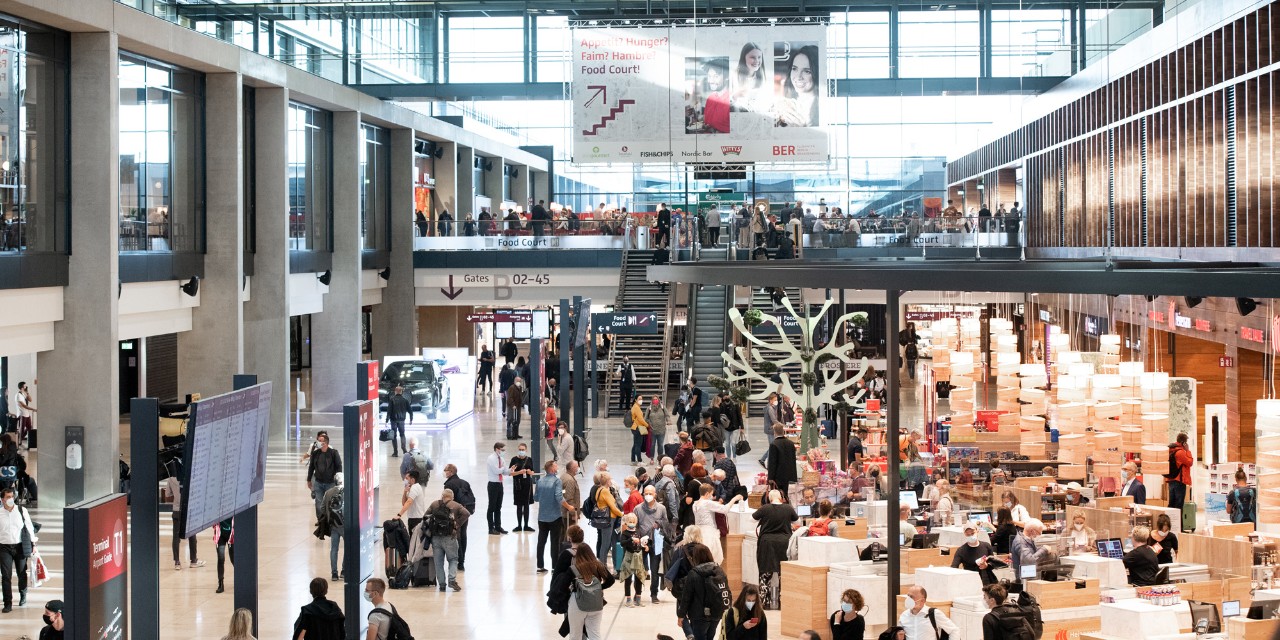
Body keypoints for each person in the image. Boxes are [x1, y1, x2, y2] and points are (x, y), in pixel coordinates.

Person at [752, 489, 797, 610]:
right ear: (781, 498)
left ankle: (765, 603)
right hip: (784, 542)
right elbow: (795, 519)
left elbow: (753, 517)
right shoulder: (788, 508)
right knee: (784, 573)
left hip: (767, 543)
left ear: (770, 499)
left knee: (765, 573)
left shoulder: (765, 508)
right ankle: (783, 602)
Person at [678, 542, 730, 640]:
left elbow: (686, 597)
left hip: (699, 615)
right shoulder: (719, 571)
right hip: (716, 613)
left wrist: (681, 615)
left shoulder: (693, 573)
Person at [567, 544, 615, 640]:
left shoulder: (574, 568)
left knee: (575, 635)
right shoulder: (598, 565)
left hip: (577, 603)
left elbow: (563, 584)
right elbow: (611, 580)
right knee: (594, 633)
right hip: (596, 603)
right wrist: (599, 588)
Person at [634, 484, 671, 604]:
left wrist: (659, 524)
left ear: (655, 494)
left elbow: (666, 524)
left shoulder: (661, 508)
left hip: (656, 542)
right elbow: (634, 525)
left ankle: (654, 594)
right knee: (640, 569)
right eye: (646, 493)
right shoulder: (638, 508)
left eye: (651, 493)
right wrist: (638, 538)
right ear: (643, 494)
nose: (648, 495)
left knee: (655, 570)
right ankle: (638, 593)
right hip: (642, 543)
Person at [426, 488, 469, 591]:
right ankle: (451, 580)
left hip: (436, 537)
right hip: (450, 536)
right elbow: (467, 513)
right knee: (453, 559)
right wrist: (457, 524)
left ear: (442, 495)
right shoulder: (456, 505)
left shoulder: (434, 504)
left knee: (438, 562)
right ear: (452, 497)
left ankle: (441, 584)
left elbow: (426, 516)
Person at [0, 486, 33, 612]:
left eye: (12, 496)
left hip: (19, 546)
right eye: (7, 497)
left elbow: (29, 527)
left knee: (21, 573)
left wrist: (33, 545)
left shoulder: (21, 510)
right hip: (4, 547)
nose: (10, 499)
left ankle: (23, 594)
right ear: (2, 499)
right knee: (6, 576)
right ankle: (7, 602)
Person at [694, 483, 743, 563]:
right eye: (711, 494)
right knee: (712, 557)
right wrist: (734, 499)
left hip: (699, 532)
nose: (712, 497)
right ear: (707, 493)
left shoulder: (695, 504)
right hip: (709, 533)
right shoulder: (707, 503)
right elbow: (725, 509)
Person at [166, 474, 204, 572]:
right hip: (188, 510)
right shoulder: (190, 476)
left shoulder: (170, 478)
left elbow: (167, 494)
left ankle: (177, 562)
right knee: (192, 535)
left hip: (176, 511)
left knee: (176, 537)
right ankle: (193, 560)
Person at [536, 460, 569, 573]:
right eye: (556, 466)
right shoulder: (556, 481)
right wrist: (568, 507)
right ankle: (554, 566)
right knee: (555, 542)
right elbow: (559, 497)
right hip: (555, 516)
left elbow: (536, 497)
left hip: (542, 516)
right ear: (552, 469)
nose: (557, 467)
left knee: (541, 541)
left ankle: (540, 566)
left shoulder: (540, 481)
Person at [441, 464, 476, 571]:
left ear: (451, 472)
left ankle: (459, 562)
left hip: (455, 513)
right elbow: (472, 497)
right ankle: (462, 561)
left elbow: (448, 501)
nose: (444, 472)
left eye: (445, 470)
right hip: (465, 512)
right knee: (463, 535)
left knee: (457, 536)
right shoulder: (465, 482)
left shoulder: (449, 484)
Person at [774, 45, 819, 127]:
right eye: (794, 69)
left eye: (807, 71)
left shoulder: (823, 108)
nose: (798, 77)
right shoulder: (784, 104)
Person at [306, 432, 342, 524]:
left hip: (330, 482)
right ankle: (321, 521)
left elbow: (339, 466)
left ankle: (331, 520)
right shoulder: (315, 453)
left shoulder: (333, 453)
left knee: (330, 502)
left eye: (320, 441)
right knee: (318, 503)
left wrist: (338, 478)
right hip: (318, 482)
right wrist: (309, 479)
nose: (318, 442)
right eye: (318, 440)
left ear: (325, 443)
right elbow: (311, 467)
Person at [590, 471, 623, 567]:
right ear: (607, 481)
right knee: (606, 544)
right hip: (608, 519)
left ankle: (602, 564)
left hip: (605, 519)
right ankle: (602, 565)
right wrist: (621, 514)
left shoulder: (599, 489)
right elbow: (613, 507)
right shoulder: (605, 491)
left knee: (606, 542)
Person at [617, 512, 650, 607]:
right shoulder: (625, 533)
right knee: (628, 579)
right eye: (630, 521)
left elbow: (641, 542)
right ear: (626, 522)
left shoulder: (638, 531)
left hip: (638, 557)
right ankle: (628, 599)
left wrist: (645, 547)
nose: (631, 523)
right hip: (628, 557)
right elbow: (622, 543)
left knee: (639, 577)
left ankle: (638, 598)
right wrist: (630, 540)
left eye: (633, 521)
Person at [319, 473, 344, 581]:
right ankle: (344, 571)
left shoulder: (328, 493)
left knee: (334, 549)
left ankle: (334, 573)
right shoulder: (347, 492)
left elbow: (322, 508)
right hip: (345, 525)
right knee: (348, 548)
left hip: (333, 525)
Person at [766, 423, 798, 496]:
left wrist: (770, 477)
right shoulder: (790, 443)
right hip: (791, 476)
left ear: (775, 432)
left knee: (779, 496)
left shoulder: (774, 444)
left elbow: (772, 462)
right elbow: (793, 459)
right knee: (788, 496)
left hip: (779, 477)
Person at [509, 444, 536, 532]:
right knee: (519, 505)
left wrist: (529, 471)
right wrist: (520, 472)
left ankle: (526, 525)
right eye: (520, 449)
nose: (521, 451)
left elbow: (532, 472)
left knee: (526, 505)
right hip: (518, 485)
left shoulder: (529, 459)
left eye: (523, 449)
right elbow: (511, 473)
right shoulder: (514, 460)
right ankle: (519, 525)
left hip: (527, 485)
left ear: (526, 450)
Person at [1165, 432, 1194, 511]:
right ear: (1183, 442)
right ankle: (1178, 523)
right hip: (1179, 480)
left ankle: (1170, 522)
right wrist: (1188, 451)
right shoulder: (1180, 452)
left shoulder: (1170, 449)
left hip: (1171, 479)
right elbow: (1190, 462)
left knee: (1172, 503)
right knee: (1179, 505)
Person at [395, 469, 429, 536]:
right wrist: (405, 492)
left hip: (416, 519)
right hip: (412, 518)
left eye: (407, 478)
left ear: (412, 480)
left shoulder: (415, 488)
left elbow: (409, 502)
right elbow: (404, 503)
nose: (405, 480)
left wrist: (399, 515)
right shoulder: (412, 488)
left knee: (414, 540)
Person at [485, 442, 509, 535]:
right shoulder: (491, 458)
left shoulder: (501, 458)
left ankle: (498, 526)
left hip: (499, 484)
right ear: (497, 449)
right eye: (502, 450)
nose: (503, 452)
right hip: (493, 484)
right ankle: (491, 528)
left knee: (498, 507)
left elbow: (504, 471)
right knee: (492, 507)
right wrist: (503, 468)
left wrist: (510, 470)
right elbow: (496, 471)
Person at [386, 385, 410, 457]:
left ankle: (395, 452)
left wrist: (387, 420)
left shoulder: (392, 400)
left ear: (395, 392)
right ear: (402, 392)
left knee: (394, 436)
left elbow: (389, 411)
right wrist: (411, 418)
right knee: (402, 434)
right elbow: (410, 410)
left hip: (393, 420)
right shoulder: (405, 400)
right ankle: (404, 449)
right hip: (402, 420)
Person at [646, 397, 669, 462]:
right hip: (652, 430)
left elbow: (667, 415)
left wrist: (668, 421)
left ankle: (660, 458)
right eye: (654, 399)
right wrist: (649, 423)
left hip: (661, 430)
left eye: (656, 399)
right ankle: (652, 458)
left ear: (659, 400)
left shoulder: (662, 407)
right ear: (652, 400)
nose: (655, 401)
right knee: (652, 445)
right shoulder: (649, 408)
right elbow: (646, 418)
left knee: (660, 445)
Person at [214, 518, 234, 593]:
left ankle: (241, 578)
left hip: (232, 534)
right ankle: (220, 583)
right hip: (220, 534)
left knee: (233, 558)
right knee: (220, 558)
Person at [560, 459, 581, 528]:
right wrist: (574, 513)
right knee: (569, 535)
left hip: (564, 512)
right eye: (577, 466)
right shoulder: (570, 480)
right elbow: (569, 498)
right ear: (572, 469)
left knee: (563, 535)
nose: (578, 468)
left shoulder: (564, 476)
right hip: (569, 515)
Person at [629, 394, 649, 464]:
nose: (641, 400)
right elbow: (640, 419)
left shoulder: (635, 406)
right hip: (638, 427)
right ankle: (639, 461)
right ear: (635, 400)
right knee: (638, 445)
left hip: (635, 427)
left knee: (635, 444)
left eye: (641, 399)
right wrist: (647, 425)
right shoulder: (636, 407)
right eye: (639, 399)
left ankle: (633, 460)